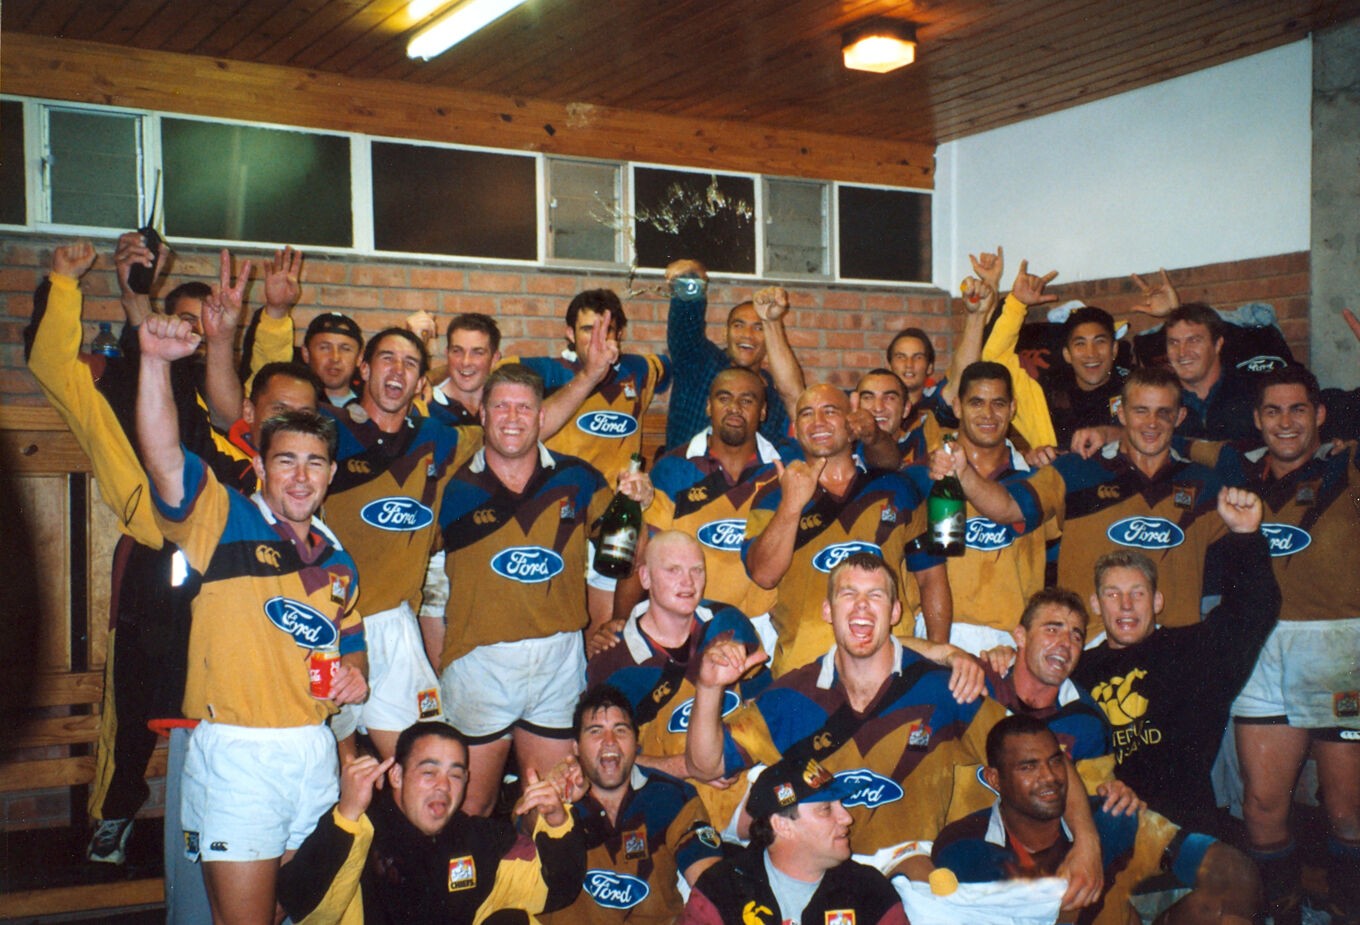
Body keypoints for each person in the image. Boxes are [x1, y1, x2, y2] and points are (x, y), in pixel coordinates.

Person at [685, 552, 1106, 911]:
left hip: (921, 877)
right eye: (848, 594)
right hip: (823, 876)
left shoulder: (946, 689)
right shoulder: (793, 694)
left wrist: (1087, 844)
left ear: (896, 612)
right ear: (828, 611)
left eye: (876, 596)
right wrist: (708, 687)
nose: (862, 608)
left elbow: (1040, 759)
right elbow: (706, 765)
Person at [137, 312, 369, 924]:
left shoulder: (339, 558)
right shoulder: (223, 518)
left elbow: (352, 643)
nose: (300, 476)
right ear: (261, 467)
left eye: (315, 463)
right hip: (240, 755)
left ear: (330, 475)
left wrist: (356, 675)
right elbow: (163, 458)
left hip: (313, 753)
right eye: (285, 461)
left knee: (289, 917)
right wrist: (156, 363)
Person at [436, 363, 652, 816]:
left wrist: (639, 507)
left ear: (541, 416)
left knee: (551, 806)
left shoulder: (579, 477)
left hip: (558, 661)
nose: (512, 417)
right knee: (472, 807)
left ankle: (534, 887)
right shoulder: (449, 485)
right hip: (479, 662)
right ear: (481, 412)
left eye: (524, 407)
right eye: (501, 406)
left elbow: (626, 553)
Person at [934, 366, 1242, 642]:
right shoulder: (1076, 470)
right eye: (1140, 411)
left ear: (1180, 416)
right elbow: (1007, 508)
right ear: (1121, 412)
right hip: (1093, 647)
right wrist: (963, 474)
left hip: (1176, 649)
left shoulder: (1204, 483)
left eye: (1163, 413)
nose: (1152, 423)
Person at [1229, 366, 1360, 924]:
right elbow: (1175, 440)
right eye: (1274, 412)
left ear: (1320, 414)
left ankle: (1349, 910)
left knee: (1347, 809)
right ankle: (1280, 914)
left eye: (1298, 410)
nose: (1286, 423)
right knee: (1262, 806)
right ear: (1258, 419)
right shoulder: (1236, 474)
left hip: (1339, 647)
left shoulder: (1347, 467)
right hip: (1258, 649)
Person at [1071, 487, 1279, 834]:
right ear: (1095, 605)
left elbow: (1253, 610)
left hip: (1183, 825)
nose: (1125, 606)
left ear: (1157, 602)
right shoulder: (1076, 669)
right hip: (1103, 830)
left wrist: (1244, 535)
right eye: (1113, 594)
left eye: (1138, 594)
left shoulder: (1191, 651)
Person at [929, 716, 1261, 925]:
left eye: (1055, 762)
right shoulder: (963, 845)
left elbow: (1230, 869)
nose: (1049, 778)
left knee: (1221, 901)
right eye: (1028, 767)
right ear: (995, 779)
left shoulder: (1108, 814)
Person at [277, 721, 586, 925]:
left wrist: (556, 820)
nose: (442, 785)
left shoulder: (475, 838)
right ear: (396, 775)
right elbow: (308, 910)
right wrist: (347, 816)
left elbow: (555, 889)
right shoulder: (361, 825)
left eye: (455, 774)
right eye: (429, 772)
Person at [743, 383, 949, 674]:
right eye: (807, 414)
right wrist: (792, 504)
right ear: (796, 428)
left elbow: (931, 577)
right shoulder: (773, 495)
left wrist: (938, 654)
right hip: (805, 667)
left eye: (830, 411)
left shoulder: (897, 487)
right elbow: (764, 575)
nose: (818, 422)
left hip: (891, 663)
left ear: (851, 423)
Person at [587, 531, 770, 829]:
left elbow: (762, 707)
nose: (688, 582)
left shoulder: (729, 623)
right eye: (673, 570)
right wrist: (688, 766)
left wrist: (735, 757)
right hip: (668, 803)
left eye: (696, 570)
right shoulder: (614, 660)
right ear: (645, 578)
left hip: (743, 791)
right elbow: (599, 759)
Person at [616, 367, 789, 637]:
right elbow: (641, 558)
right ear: (708, 406)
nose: (734, 408)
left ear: (763, 411)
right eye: (724, 398)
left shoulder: (783, 472)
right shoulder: (673, 469)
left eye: (747, 400)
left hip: (764, 629)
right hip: (688, 626)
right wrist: (621, 625)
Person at [902, 362, 1058, 652]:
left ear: (1012, 408)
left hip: (1008, 643)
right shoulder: (920, 476)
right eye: (977, 403)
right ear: (958, 407)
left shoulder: (1037, 476)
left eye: (998, 404)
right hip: (933, 636)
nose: (988, 415)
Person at [942, 587, 1131, 827]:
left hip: (1037, 847)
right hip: (960, 835)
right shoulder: (975, 679)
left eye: (1076, 636)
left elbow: (1094, 797)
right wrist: (947, 653)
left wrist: (1115, 796)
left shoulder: (1087, 721)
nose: (1065, 644)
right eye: (1052, 630)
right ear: (1020, 637)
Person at [537, 686, 723, 923]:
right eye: (596, 731)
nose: (609, 741)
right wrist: (554, 803)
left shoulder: (671, 796)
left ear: (636, 742)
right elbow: (525, 819)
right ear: (576, 747)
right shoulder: (556, 795)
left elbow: (711, 881)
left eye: (621, 730)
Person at [679, 756, 908, 925]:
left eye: (841, 805)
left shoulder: (869, 890)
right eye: (826, 809)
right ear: (782, 825)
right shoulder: (721, 888)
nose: (847, 818)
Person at [663, 258, 804, 450]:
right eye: (738, 326)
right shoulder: (700, 362)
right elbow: (685, 323)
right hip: (687, 475)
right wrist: (691, 278)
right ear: (725, 333)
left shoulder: (773, 391)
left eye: (758, 328)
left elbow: (795, 400)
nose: (747, 335)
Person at [1164, 303, 1259, 441]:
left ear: (1218, 344)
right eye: (1174, 343)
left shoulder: (1252, 393)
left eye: (1194, 340)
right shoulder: (1161, 400)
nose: (1182, 352)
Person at [301, 311, 364, 407]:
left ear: (359, 357)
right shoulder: (293, 404)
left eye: (345, 349)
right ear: (306, 353)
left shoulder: (369, 408)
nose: (335, 358)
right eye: (325, 348)